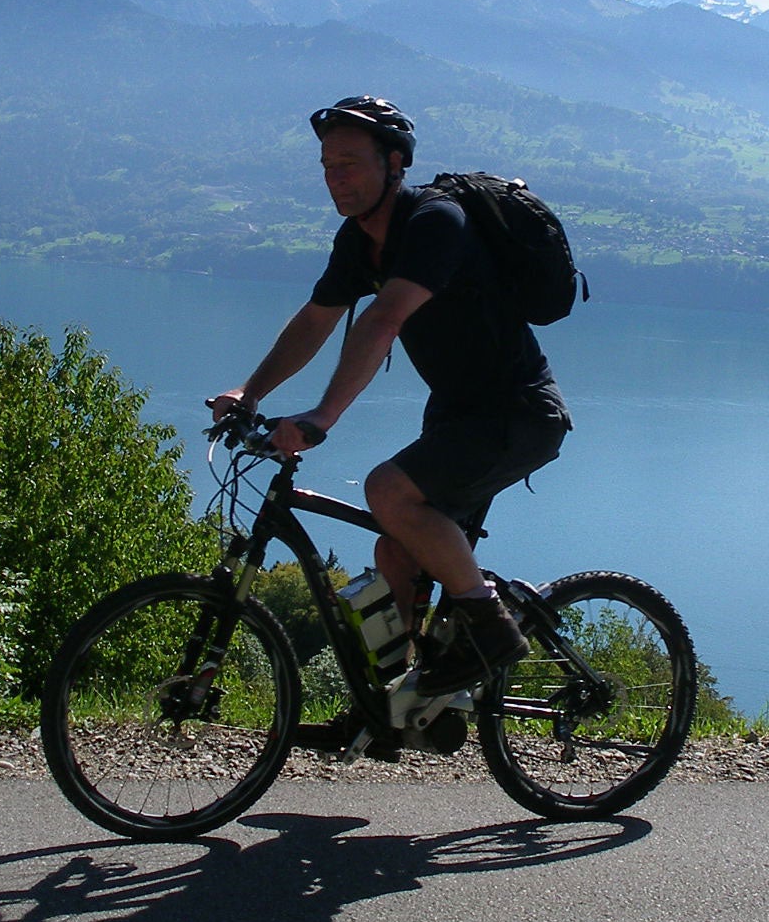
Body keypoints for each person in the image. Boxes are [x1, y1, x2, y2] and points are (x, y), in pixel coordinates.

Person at [209, 96, 571, 696]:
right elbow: (318, 318)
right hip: (459, 415)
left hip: (518, 411)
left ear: (394, 163)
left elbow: (383, 319)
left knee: (386, 489)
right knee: (395, 552)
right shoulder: (358, 240)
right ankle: (396, 701)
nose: (336, 179)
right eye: (327, 166)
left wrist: (322, 416)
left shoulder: (435, 221)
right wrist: (250, 391)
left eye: (349, 163)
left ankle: (492, 630)